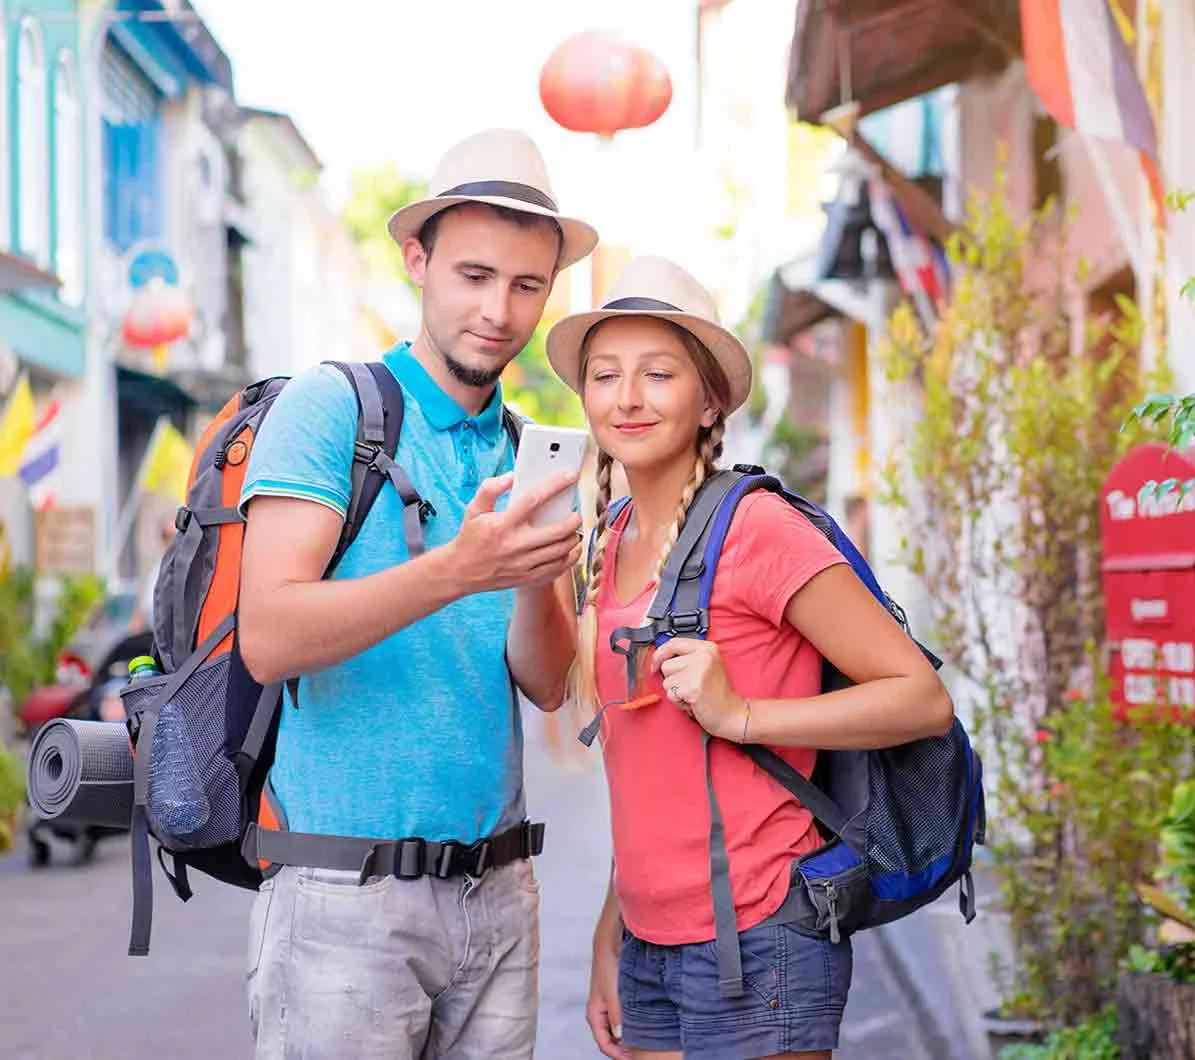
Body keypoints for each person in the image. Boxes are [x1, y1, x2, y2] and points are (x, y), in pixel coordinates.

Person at [235, 129, 598, 1059]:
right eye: (473, 275)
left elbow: (550, 684)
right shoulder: (332, 408)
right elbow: (268, 636)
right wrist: (458, 569)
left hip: (501, 893)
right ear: (416, 260)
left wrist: (529, 580)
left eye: (526, 285)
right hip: (343, 900)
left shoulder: (526, 449)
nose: (498, 310)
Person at [546, 256, 954, 1060]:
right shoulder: (611, 536)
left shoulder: (758, 530)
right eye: (605, 375)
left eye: (658, 374)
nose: (626, 397)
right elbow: (651, 771)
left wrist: (741, 714)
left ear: (711, 401)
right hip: (649, 945)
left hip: (762, 938)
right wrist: (612, 925)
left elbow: (920, 696)